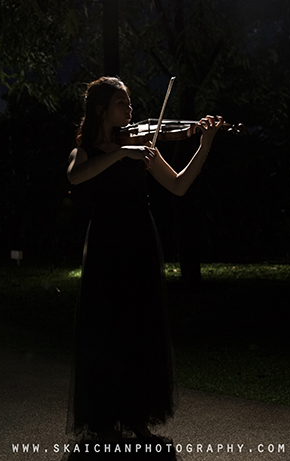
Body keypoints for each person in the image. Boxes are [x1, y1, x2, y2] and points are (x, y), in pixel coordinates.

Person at [65, 76, 223, 443]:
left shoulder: (142, 145)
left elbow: (180, 185)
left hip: (139, 241)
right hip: (105, 245)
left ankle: (137, 417)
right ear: (102, 110)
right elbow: (76, 176)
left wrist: (205, 143)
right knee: (106, 331)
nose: (131, 111)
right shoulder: (87, 149)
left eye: (130, 104)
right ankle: (104, 418)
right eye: (123, 103)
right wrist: (122, 153)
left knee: (140, 328)